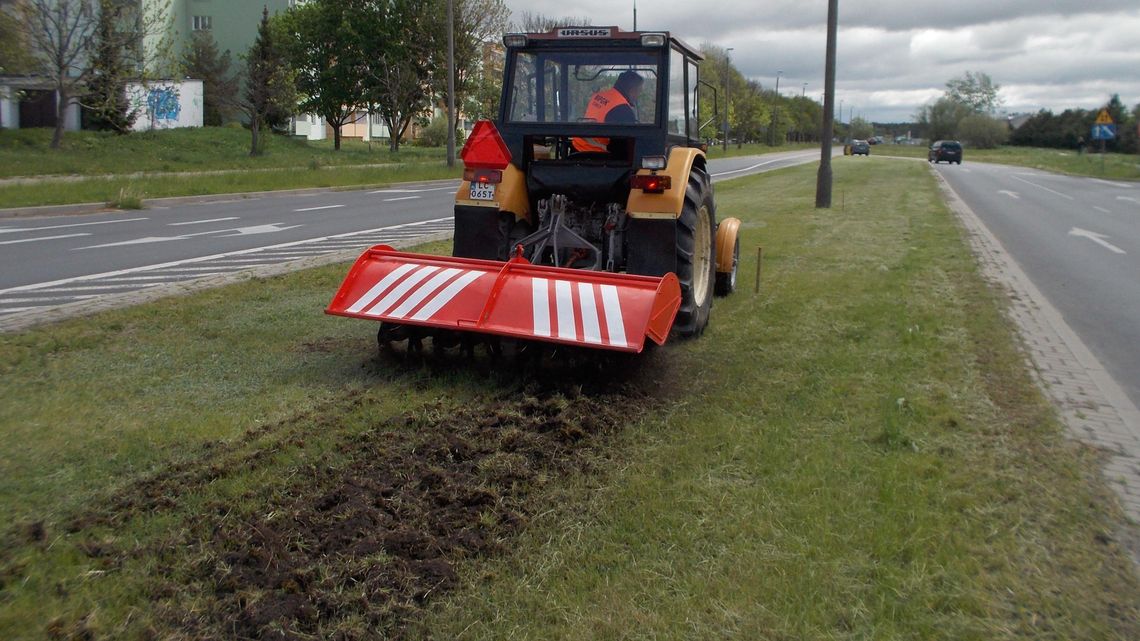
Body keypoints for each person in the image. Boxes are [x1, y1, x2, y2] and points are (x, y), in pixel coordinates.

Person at [571, 70, 644, 153]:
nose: (638, 95)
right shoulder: (623, 110)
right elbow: (620, 148)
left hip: (576, 146)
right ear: (632, 90)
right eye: (639, 91)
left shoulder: (598, 96)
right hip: (595, 154)